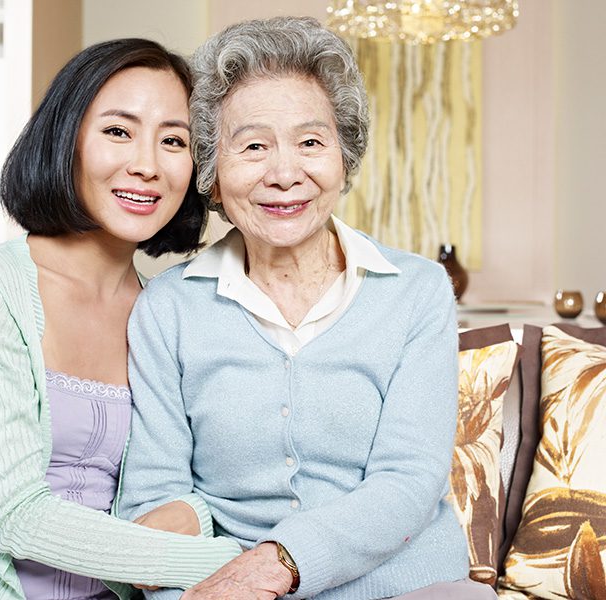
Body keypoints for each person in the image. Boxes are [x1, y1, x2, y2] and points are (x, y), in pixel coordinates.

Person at [118, 17, 496, 600]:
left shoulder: (417, 292)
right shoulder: (167, 310)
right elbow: (158, 495)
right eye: (253, 146)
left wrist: (277, 564)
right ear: (212, 178)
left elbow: (408, 482)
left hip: (404, 586)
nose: (285, 173)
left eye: (311, 142)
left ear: (344, 159)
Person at [0, 38, 243, 600]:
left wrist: (192, 511)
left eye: (173, 141)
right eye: (118, 131)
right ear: (67, 140)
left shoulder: (172, 309)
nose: (145, 165)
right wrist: (230, 561)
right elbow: (15, 515)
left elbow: (208, 477)